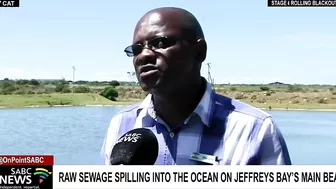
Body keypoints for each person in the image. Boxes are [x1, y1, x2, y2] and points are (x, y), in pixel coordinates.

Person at [100, 7, 291, 165]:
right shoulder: (121, 125)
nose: (144, 55)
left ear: (200, 51)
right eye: (136, 49)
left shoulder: (254, 130)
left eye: (159, 43)